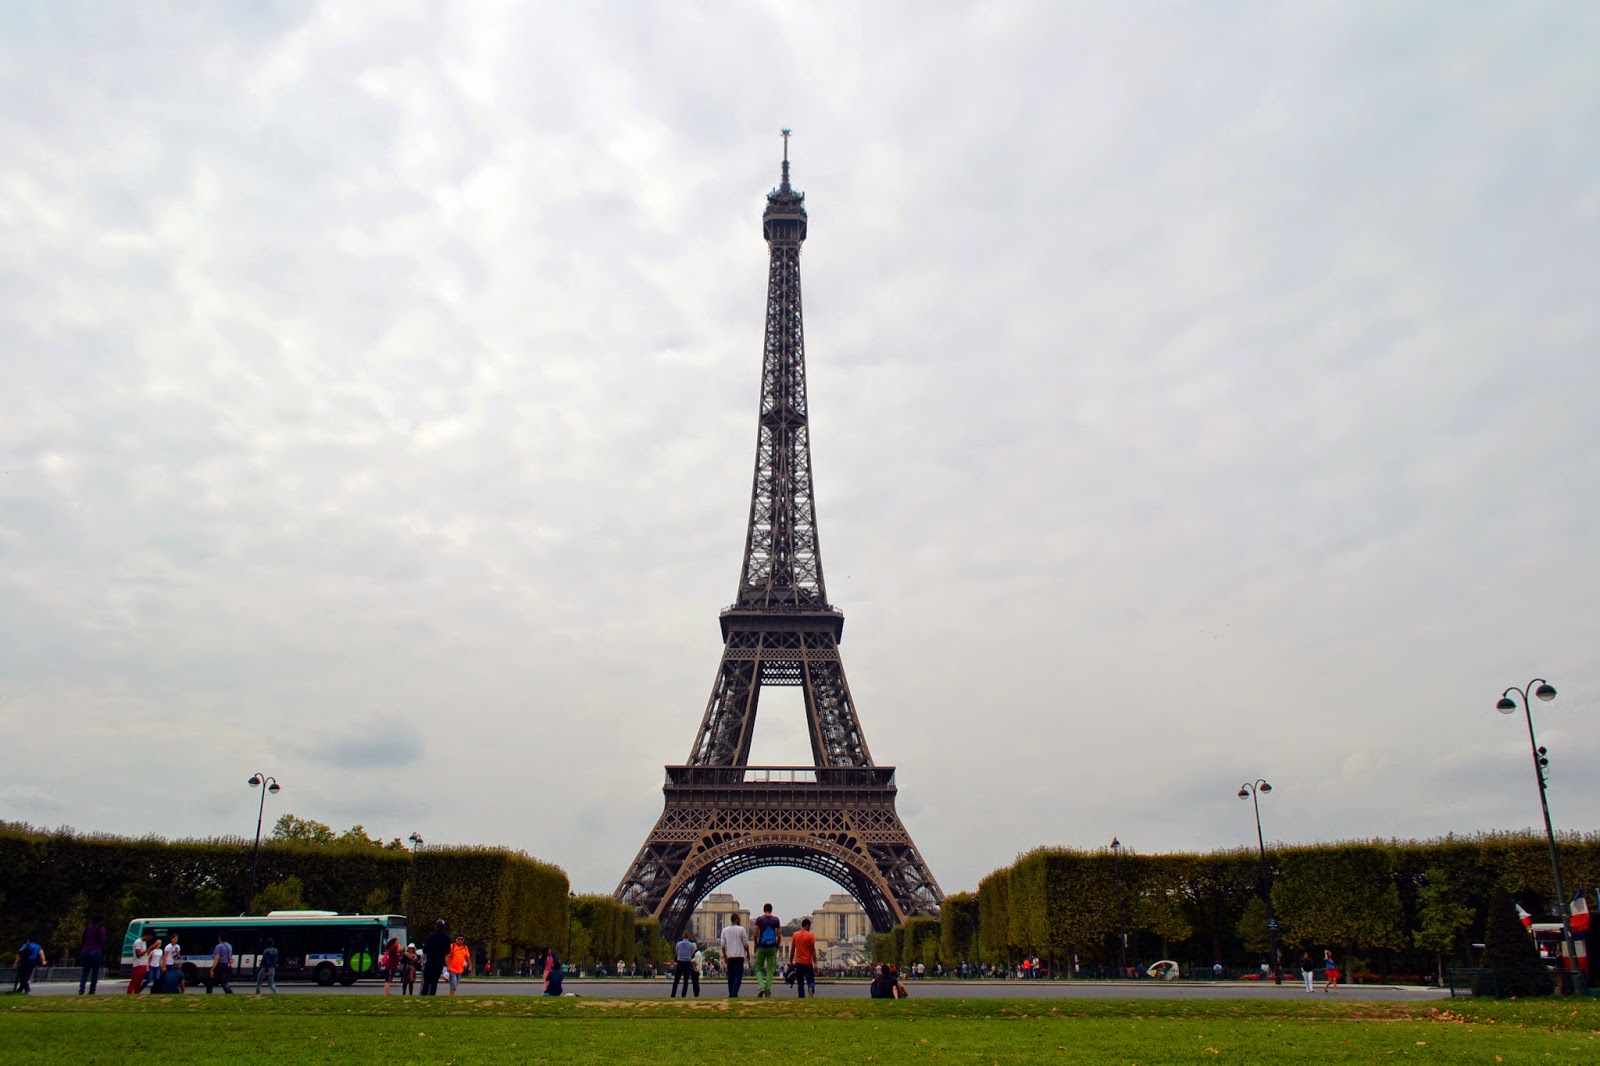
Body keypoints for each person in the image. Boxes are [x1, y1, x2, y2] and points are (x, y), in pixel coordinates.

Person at [751, 903, 782, 999]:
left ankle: (761, 986)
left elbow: (755, 934)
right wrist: (777, 945)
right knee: (770, 970)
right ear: (771, 910)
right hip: (772, 947)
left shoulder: (759, 919)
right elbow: (779, 935)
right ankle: (768, 990)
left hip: (761, 946)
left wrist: (756, 944)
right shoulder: (776, 919)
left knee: (759, 968)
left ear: (763, 910)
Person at [719, 913, 750, 998]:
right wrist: (747, 952)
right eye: (739, 919)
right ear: (736, 919)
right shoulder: (741, 929)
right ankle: (734, 992)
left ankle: (731, 992)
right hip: (739, 955)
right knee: (738, 976)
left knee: (731, 976)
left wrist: (725, 956)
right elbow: (745, 943)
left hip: (730, 956)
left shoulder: (725, 930)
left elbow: (722, 945)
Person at [78, 914, 108, 994]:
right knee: (95, 971)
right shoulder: (101, 928)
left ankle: (81, 989)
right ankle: (92, 990)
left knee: (85, 971)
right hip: (96, 950)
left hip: (86, 950)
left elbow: (83, 938)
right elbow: (102, 941)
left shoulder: (88, 928)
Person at [789, 917, 816, 999]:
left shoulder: (795, 935)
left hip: (799, 962)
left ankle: (801, 997)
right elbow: (812, 950)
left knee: (800, 982)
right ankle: (811, 988)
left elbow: (793, 949)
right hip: (808, 962)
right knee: (810, 979)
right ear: (807, 925)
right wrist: (815, 962)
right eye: (810, 927)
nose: (810, 929)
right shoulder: (811, 936)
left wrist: (791, 961)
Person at [421, 919, 450, 996]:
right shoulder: (447, 938)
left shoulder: (430, 937)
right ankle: (432, 996)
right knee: (434, 981)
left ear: (436, 926)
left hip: (430, 960)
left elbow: (425, 950)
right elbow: (448, 951)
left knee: (426, 981)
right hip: (439, 961)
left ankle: (424, 995)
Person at [672, 933, 700, 998]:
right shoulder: (691, 945)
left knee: (676, 980)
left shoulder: (678, 944)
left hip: (680, 962)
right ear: (688, 937)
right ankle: (683, 994)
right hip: (687, 963)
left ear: (682, 936)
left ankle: (673, 994)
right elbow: (692, 953)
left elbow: (677, 952)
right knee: (686, 980)